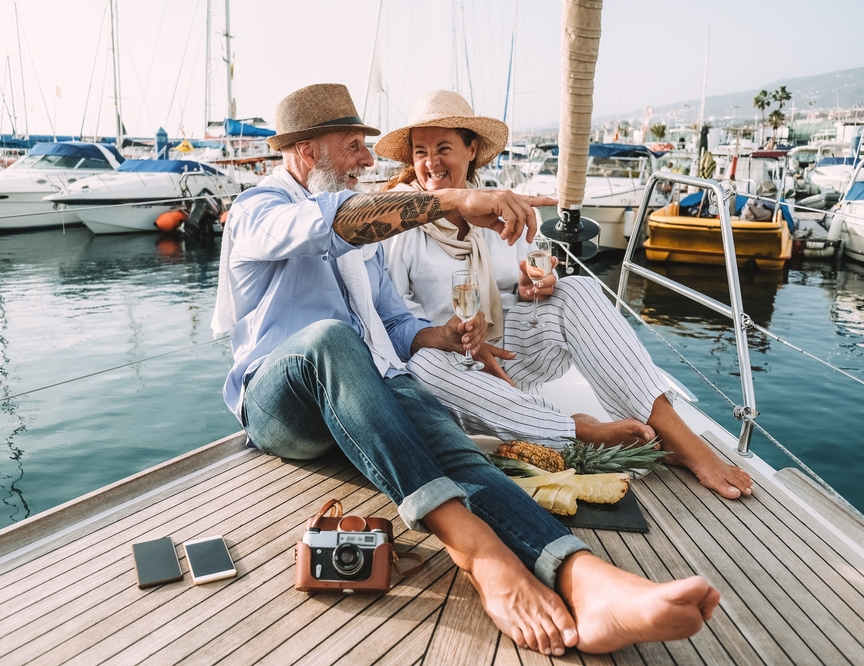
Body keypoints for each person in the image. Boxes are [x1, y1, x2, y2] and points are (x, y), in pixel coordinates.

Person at [212, 83, 719, 655]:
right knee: (331, 340)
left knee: (455, 449)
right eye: (354, 145)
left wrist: (444, 336)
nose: (367, 158)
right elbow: (325, 225)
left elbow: (395, 325)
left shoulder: (366, 241)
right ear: (308, 152)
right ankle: (480, 555)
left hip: (361, 396)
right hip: (282, 408)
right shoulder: (258, 211)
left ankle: (585, 577)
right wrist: (454, 201)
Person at [376, 90, 753, 500]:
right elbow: (396, 326)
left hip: (507, 359)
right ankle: (578, 431)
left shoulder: (503, 208)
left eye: (443, 148)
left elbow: (525, 284)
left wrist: (535, 286)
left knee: (579, 288)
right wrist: (452, 339)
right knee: (425, 363)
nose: (430, 162)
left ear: (472, 150)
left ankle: (677, 436)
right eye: (420, 151)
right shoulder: (399, 221)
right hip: (451, 372)